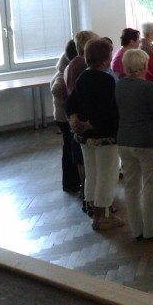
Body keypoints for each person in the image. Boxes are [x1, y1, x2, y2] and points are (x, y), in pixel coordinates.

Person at [66, 38, 125, 231]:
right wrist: (90, 124)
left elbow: (71, 104)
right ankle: (105, 216)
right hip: (104, 134)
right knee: (107, 175)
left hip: (85, 137)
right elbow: (108, 110)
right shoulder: (106, 80)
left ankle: (95, 216)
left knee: (91, 174)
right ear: (105, 58)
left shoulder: (82, 77)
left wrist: (76, 121)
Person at [116, 49, 153, 240]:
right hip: (147, 141)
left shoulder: (119, 85)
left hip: (125, 140)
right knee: (151, 185)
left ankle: (136, 229)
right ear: (144, 66)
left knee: (131, 186)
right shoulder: (148, 87)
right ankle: (151, 229)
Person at [64, 30, 99, 213]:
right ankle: (91, 203)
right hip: (85, 120)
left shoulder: (73, 63)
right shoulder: (81, 65)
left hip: (80, 118)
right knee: (90, 166)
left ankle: (88, 199)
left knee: (86, 164)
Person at [51, 39, 81, 193]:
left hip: (63, 116)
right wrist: (69, 101)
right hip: (64, 117)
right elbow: (56, 89)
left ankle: (72, 182)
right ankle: (71, 183)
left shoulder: (65, 68)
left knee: (69, 148)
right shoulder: (64, 71)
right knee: (69, 149)